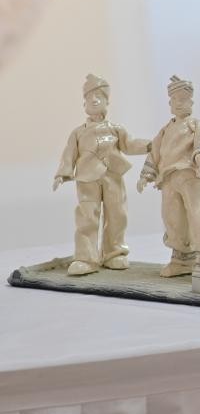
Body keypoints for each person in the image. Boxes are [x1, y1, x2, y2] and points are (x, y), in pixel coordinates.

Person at [53, 74, 150, 275]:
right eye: (89, 97)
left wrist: (150, 145)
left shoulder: (116, 129)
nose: (94, 100)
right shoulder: (78, 132)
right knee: (87, 216)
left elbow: (130, 145)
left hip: (113, 176)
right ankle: (86, 258)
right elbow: (69, 154)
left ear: (107, 101)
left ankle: (114, 253)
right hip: (87, 179)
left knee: (117, 214)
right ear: (84, 104)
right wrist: (62, 174)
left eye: (99, 96)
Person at [137, 76, 200, 276]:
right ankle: (182, 259)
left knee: (198, 215)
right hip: (168, 178)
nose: (180, 103)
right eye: (175, 100)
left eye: (184, 100)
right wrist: (146, 175)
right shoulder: (165, 130)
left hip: (191, 174)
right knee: (173, 218)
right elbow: (155, 153)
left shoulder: (194, 125)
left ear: (191, 102)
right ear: (170, 104)